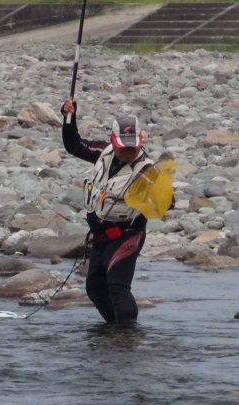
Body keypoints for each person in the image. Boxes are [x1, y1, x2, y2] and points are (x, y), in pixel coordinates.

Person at [60, 99, 158, 329]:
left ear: (140, 141)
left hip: (127, 235)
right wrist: (68, 118)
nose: (128, 151)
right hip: (102, 237)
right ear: (113, 142)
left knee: (118, 287)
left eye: (133, 146)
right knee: (94, 289)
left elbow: (165, 200)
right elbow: (73, 145)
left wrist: (165, 200)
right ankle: (115, 329)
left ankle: (129, 334)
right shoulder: (102, 152)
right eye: (123, 146)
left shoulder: (147, 170)